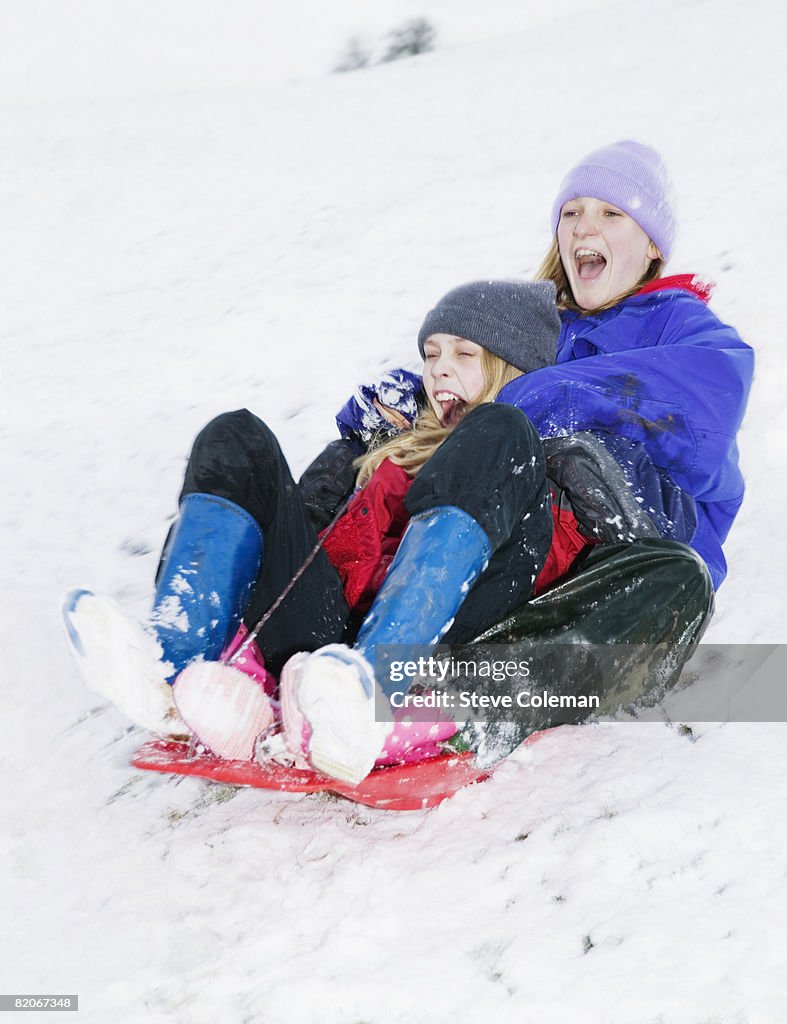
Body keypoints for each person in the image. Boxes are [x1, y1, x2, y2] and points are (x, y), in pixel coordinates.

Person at [65, 281, 564, 786]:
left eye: (463, 353)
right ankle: (168, 667)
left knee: (500, 427)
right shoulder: (375, 445)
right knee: (235, 434)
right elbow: (296, 528)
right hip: (325, 632)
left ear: (512, 368)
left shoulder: (528, 455)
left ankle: (368, 690)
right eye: (431, 353)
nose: (438, 367)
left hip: (429, 653)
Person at [345, 140, 754, 593]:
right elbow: (480, 371)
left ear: (653, 246)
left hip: (645, 553)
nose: (583, 229)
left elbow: (711, 398)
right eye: (572, 213)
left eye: (610, 214)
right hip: (532, 525)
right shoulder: (547, 320)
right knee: (358, 460)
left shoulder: (679, 320)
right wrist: (411, 398)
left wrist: (554, 395)